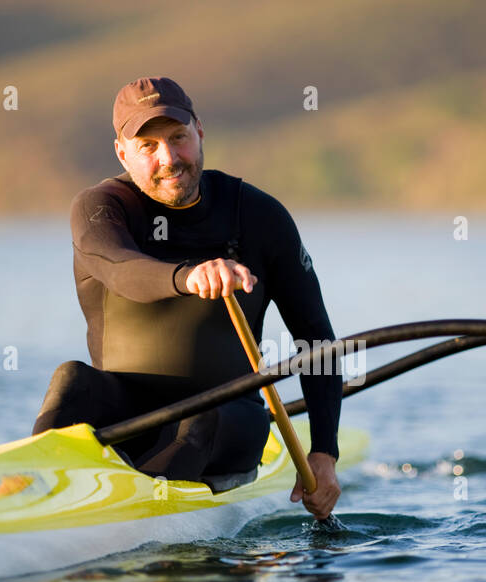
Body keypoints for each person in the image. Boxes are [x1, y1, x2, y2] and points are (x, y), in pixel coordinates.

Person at [33, 76, 342, 519]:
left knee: (201, 418)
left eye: (178, 138)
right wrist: (188, 277)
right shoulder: (100, 209)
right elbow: (122, 271)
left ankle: (130, 518)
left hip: (230, 424)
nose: (169, 158)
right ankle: (27, 489)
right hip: (129, 420)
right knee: (71, 380)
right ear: (122, 152)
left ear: (199, 131)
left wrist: (324, 454)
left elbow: (318, 340)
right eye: (148, 146)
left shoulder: (258, 215)